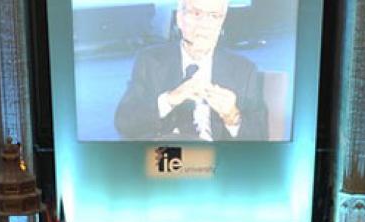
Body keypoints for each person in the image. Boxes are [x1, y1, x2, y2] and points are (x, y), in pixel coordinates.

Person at [114, 0, 267, 141]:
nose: (205, 24)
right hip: (165, 159)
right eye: (196, 14)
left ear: (221, 22)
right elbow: (125, 123)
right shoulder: (150, 61)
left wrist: (232, 116)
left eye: (214, 16)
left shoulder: (244, 70)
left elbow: (260, 139)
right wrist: (169, 100)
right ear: (180, 18)